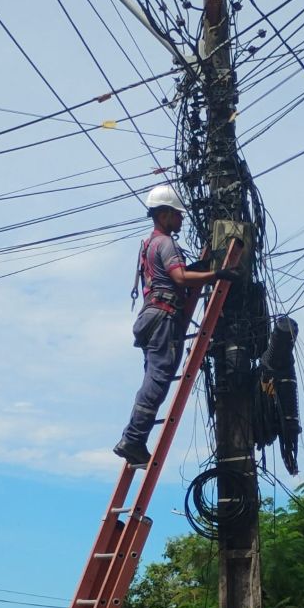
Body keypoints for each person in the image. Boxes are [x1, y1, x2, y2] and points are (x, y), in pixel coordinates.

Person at [114, 184, 240, 466]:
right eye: (178, 215)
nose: (182, 220)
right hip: (163, 315)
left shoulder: (149, 244)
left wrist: (201, 267)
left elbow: (173, 274)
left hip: (151, 316)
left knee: (154, 376)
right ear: (164, 214)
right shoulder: (166, 243)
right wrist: (216, 274)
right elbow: (180, 279)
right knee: (158, 378)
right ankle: (133, 438)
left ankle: (135, 438)